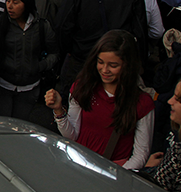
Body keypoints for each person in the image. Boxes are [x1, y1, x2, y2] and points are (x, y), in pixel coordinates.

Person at [55, 0, 147, 103]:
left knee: (72, 102)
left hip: (81, 56)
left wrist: (70, 49)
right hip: (115, 60)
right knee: (108, 106)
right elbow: (139, 30)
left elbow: (63, 24)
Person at [45, 30, 154, 170]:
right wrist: (59, 110)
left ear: (128, 65)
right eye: (100, 62)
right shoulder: (83, 88)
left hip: (112, 172)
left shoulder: (142, 103)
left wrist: (116, 176)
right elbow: (72, 135)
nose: (104, 70)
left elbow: (141, 154)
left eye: (113, 65)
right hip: (77, 163)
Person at [0, 0, 58, 120]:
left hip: (30, 88)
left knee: (20, 125)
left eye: (15, 2)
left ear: (26, 4)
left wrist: (40, 66)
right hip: (3, 85)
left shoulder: (41, 26)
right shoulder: (0, 23)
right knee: (0, 125)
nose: (9, 6)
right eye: (8, 1)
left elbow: (54, 53)